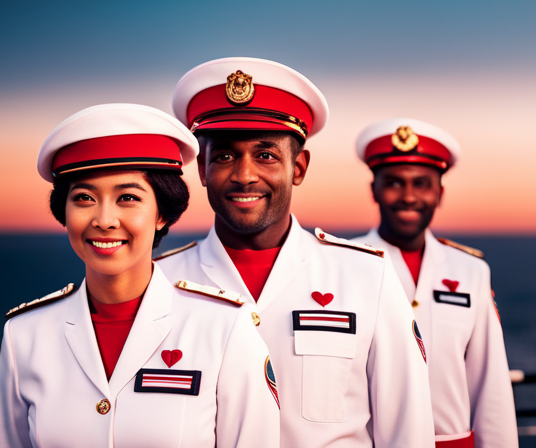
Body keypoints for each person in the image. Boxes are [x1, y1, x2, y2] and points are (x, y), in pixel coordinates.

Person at [157, 57, 436, 448]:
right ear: (201, 170)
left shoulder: (367, 277)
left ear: (299, 167)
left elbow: (407, 432)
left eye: (266, 155)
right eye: (223, 156)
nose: (244, 174)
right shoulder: (159, 283)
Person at [0, 104, 280, 448]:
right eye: (84, 197)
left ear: (162, 213)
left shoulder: (224, 329)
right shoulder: (24, 336)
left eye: (128, 198)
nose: (104, 219)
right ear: (64, 211)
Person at [351, 118, 518, 448]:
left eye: (422, 184)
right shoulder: (344, 265)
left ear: (440, 193)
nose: (409, 196)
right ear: (374, 190)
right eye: (395, 182)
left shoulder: (471, 272)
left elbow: (491, 386)